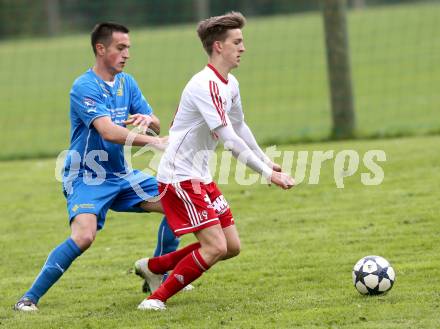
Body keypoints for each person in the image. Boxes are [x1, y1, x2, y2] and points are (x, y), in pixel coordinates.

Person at [134, 12, 294, 311]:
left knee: (230, 247)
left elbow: (240, 126)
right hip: (179, 176)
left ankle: (154, 266)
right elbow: (230, 140)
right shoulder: (204, 85)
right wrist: (266, 175)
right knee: (215, 247)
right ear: (218, 46)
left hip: (200, 175)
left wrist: (265, 161)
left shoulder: (229, 83)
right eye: (237, 41)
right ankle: (154, 300)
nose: (243, 48)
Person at [14, 22, 177, 312]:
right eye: (120, 48)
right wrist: (153, 143)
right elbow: (108, 132)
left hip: (120, 174)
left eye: (128, 48)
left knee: (178, 203)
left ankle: (157, 271)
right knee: (84, 236)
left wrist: (147, 120)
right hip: (86, 176)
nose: (127, 54)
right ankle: (28, 298)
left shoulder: (128, 82)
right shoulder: (84, 86)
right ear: (101, 49)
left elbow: (155, 121)